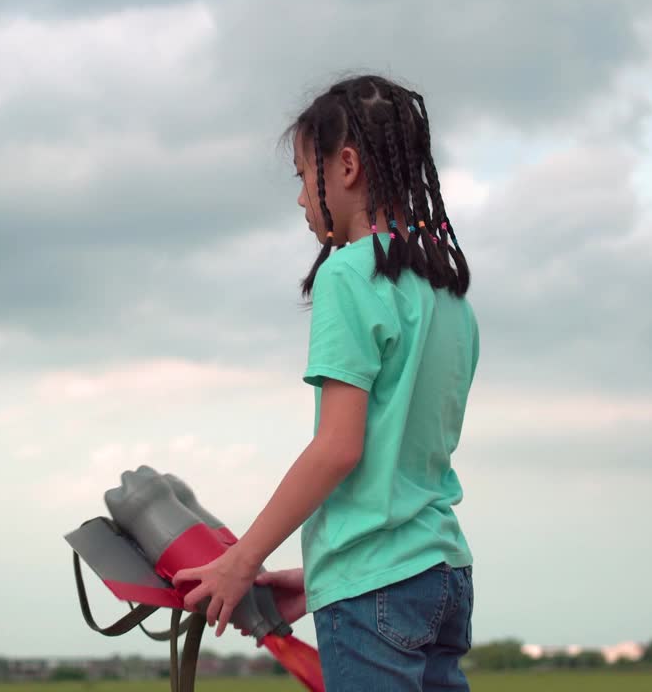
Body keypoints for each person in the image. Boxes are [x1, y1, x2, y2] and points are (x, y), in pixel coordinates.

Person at [172, 74, 479, 691]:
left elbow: (339, 449)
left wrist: (241, 562)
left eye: (301, 178)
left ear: (345, 167)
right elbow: (406, 471)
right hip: (443, 576)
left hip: (375, 593)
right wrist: (316, 580)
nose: (300, 201)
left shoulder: (348, 275)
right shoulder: (449, 298)